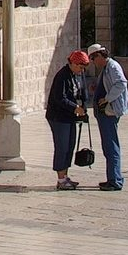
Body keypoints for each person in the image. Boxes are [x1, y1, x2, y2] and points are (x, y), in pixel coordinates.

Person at [84, 43, 128, 191]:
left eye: (93, 58)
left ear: (99, 55)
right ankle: (112, 178)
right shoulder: (105, 69)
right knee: (107, 146)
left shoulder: (112, 66)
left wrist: (107, 98)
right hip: (103, 113)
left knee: (111, 146)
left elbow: (121, 83)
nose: (93, 62)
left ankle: (115, 180)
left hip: (109, 112)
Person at [45, 49, 89, 190]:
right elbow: (59, 98)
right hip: (58, 117)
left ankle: (65, 176)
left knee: (70, 145)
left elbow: (83, 92)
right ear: (74, 63)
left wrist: (83, 107)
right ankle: (60, 178)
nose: (81, 71)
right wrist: (75, 107)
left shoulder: (78, 75)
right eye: (80, 67)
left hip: (70, 116)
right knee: (62, 146)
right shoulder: (62, 76)